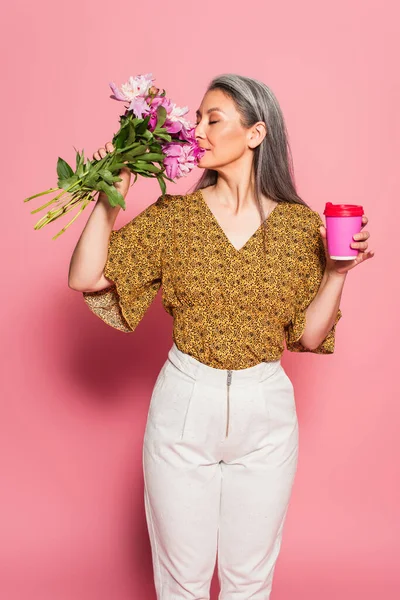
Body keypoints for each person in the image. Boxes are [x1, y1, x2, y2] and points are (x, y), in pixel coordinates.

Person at [68, 73, 372, 600]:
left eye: (213, 119)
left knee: (249, 579)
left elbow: (307, 338)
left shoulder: (301, 228)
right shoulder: (175, 217)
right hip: (186, 401)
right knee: (182, 579)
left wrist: (337, 272)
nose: (197, 131)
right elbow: (86, 277)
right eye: (197, 119)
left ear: (256, 134)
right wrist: (108, 199)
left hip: (266, 410)